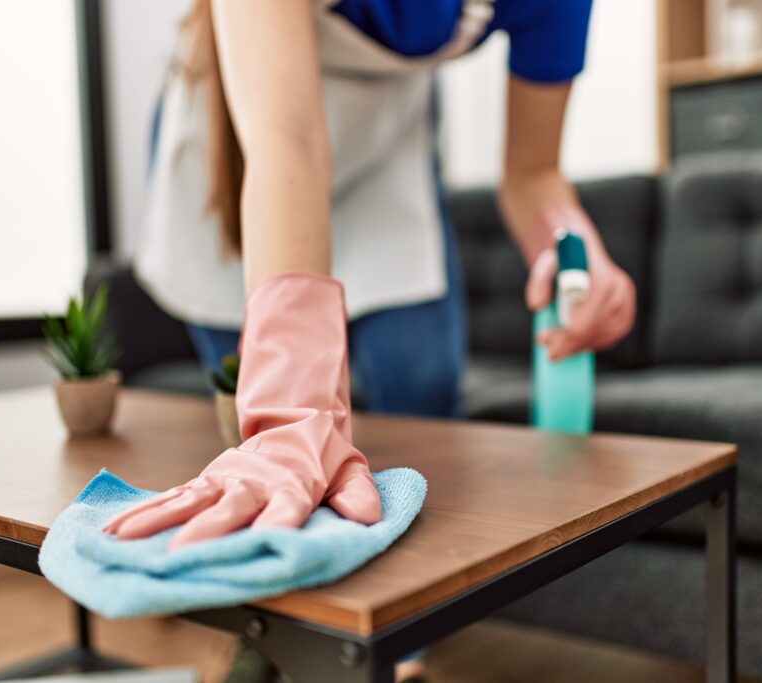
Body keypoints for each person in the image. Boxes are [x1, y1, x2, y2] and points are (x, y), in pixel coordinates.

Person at [107, 0, 635, 679]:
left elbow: (532, 172)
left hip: (386, 143)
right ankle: (272, 633)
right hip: (247, 142)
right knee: (257, 418)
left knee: (422, 387)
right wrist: (290, 411)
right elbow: (286, 138)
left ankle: (393, 645)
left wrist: (574, 246)